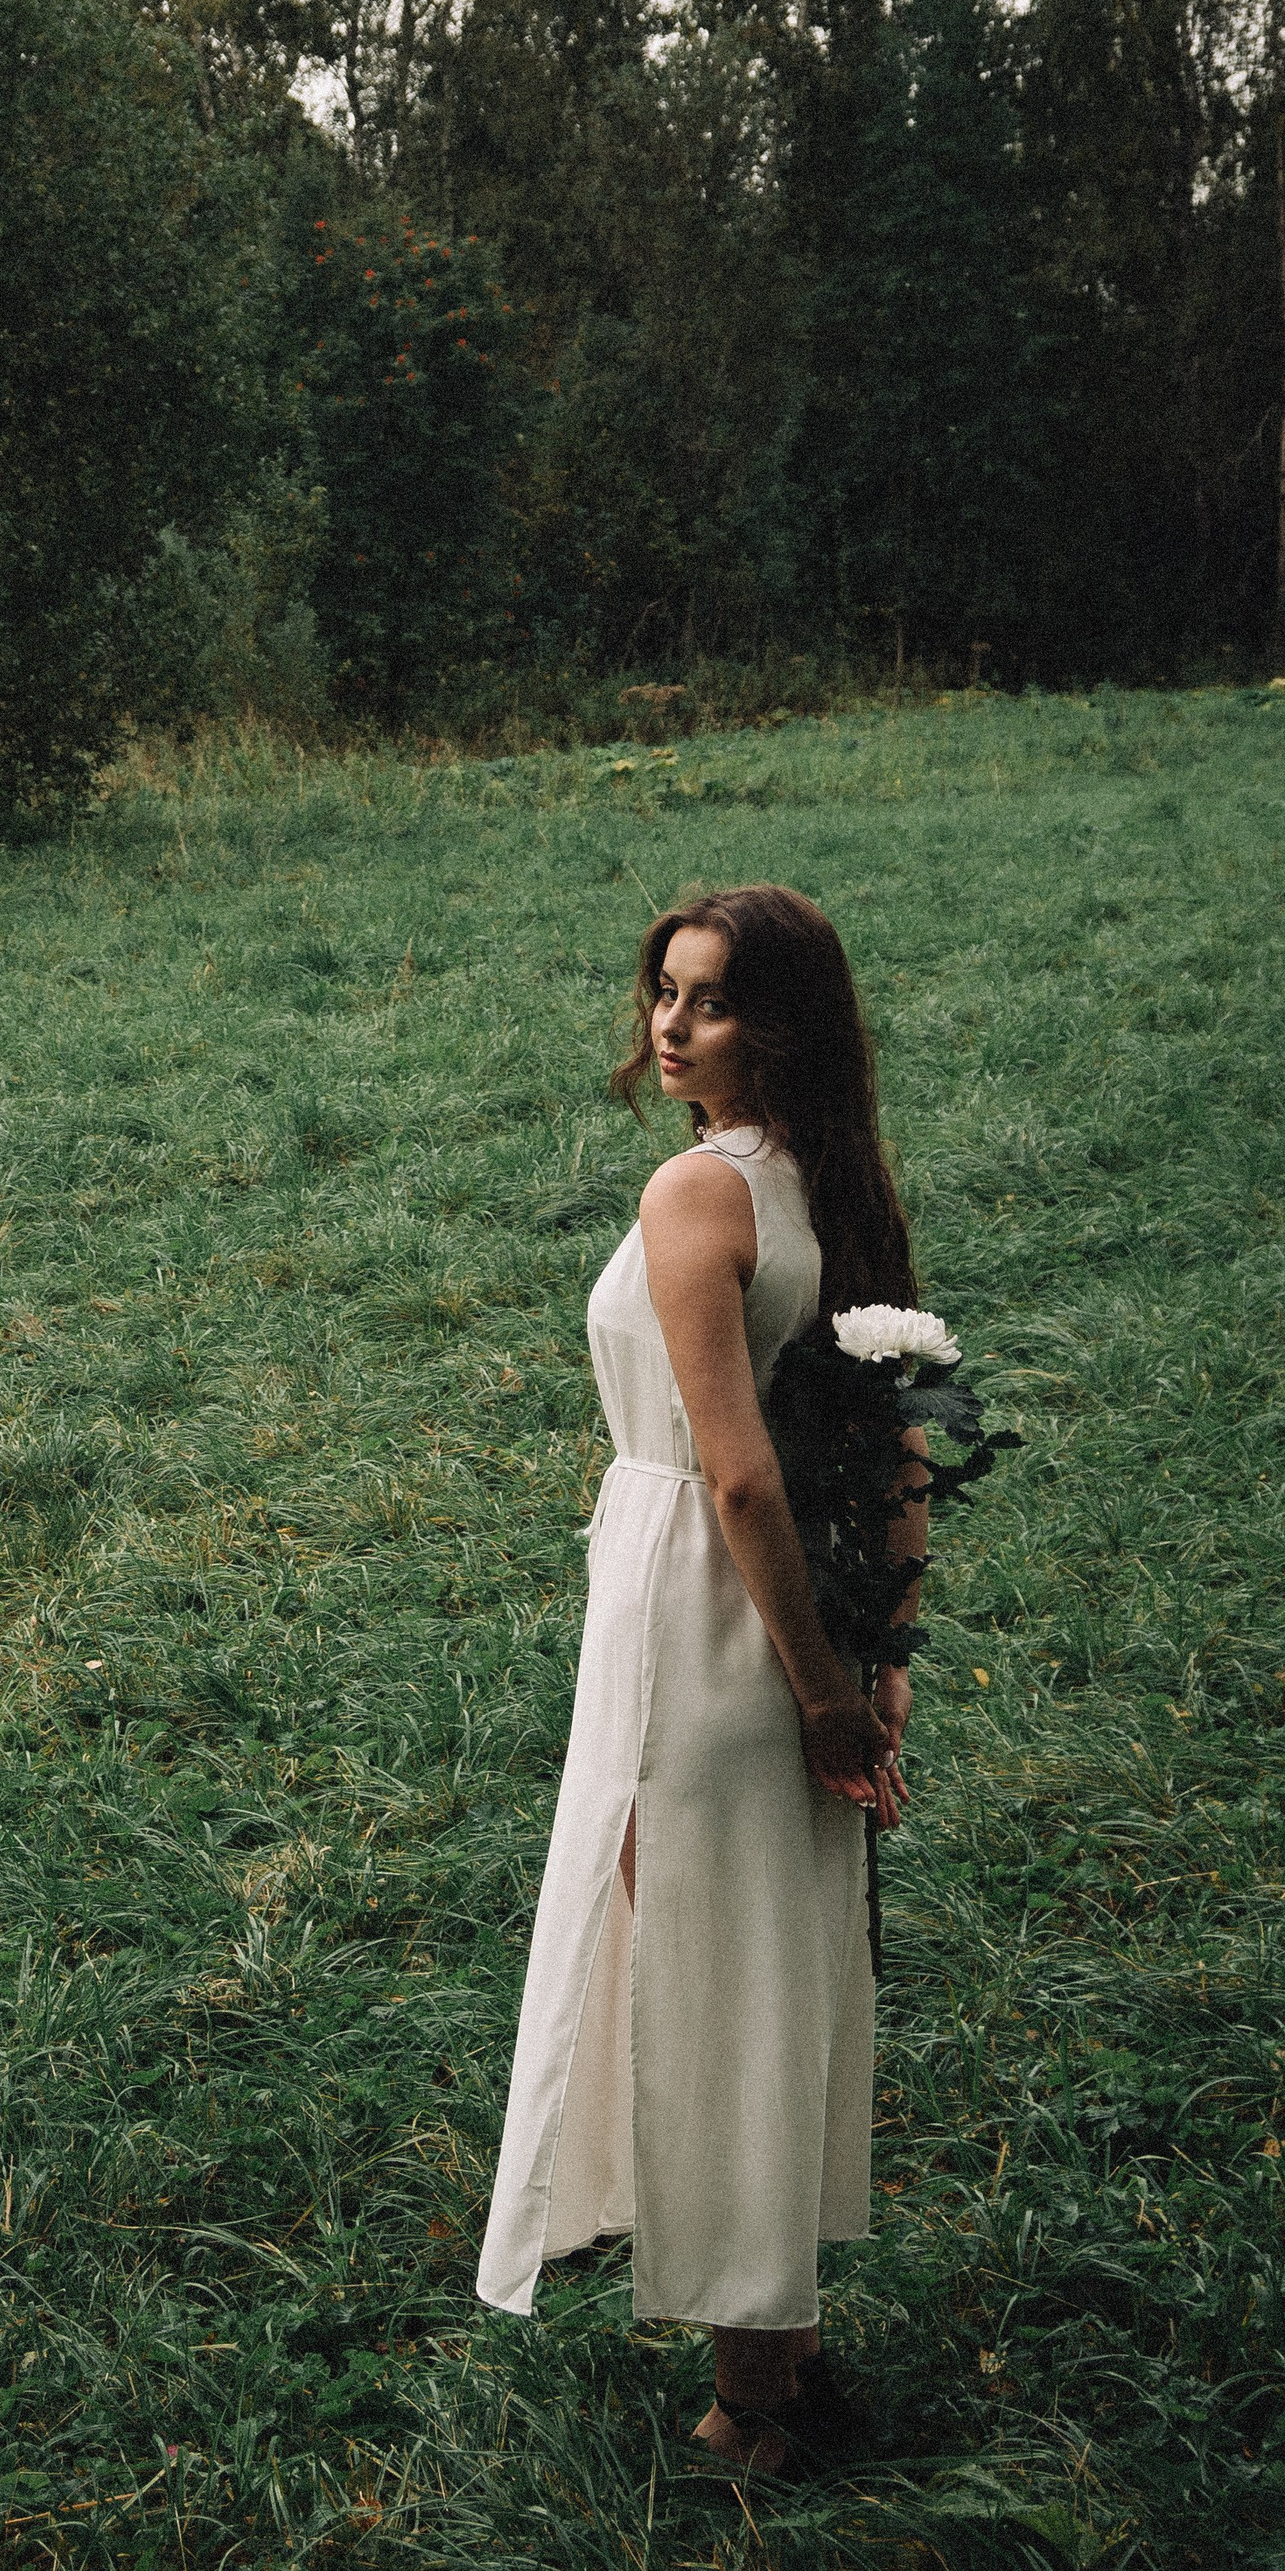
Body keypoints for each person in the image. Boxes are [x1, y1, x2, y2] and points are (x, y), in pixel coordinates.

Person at [475, 884, 928, 2476]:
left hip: (709, 1601)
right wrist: (885, 1652)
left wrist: (821, 1687)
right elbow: (896, 1438)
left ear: (783, 1024)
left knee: (716, 1974)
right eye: (664, 993)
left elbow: (736, 1477)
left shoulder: (698, 1193)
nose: (671, 1027)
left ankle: (754, 2400)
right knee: (770, 1961)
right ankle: (783, 2349)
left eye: (713, 1000)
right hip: (787, 1602)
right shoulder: (831, 1188)